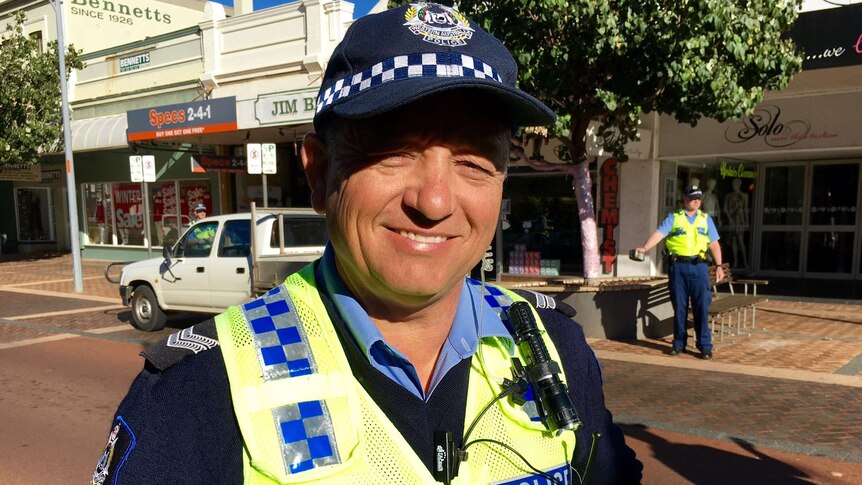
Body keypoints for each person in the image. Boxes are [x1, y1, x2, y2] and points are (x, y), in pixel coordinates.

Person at [92, 4, 641, 484]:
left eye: (474, 161)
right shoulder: (197, 396)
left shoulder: (554, 346)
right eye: (393, 152)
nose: (434, 202)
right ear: (319, 173)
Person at [637, 184, 723, 360]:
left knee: (701, 307)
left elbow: (714, 244)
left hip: (699, 266)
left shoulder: (705, 219)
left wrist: (719, 265)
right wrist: (645, 248)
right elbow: (659, 234)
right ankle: (679, 343)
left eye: (699, 198)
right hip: (678, 267)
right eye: (693, 198)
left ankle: (704, 345)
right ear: (684, 199)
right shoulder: (674, 218)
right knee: (680, 307)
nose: (696, 201)